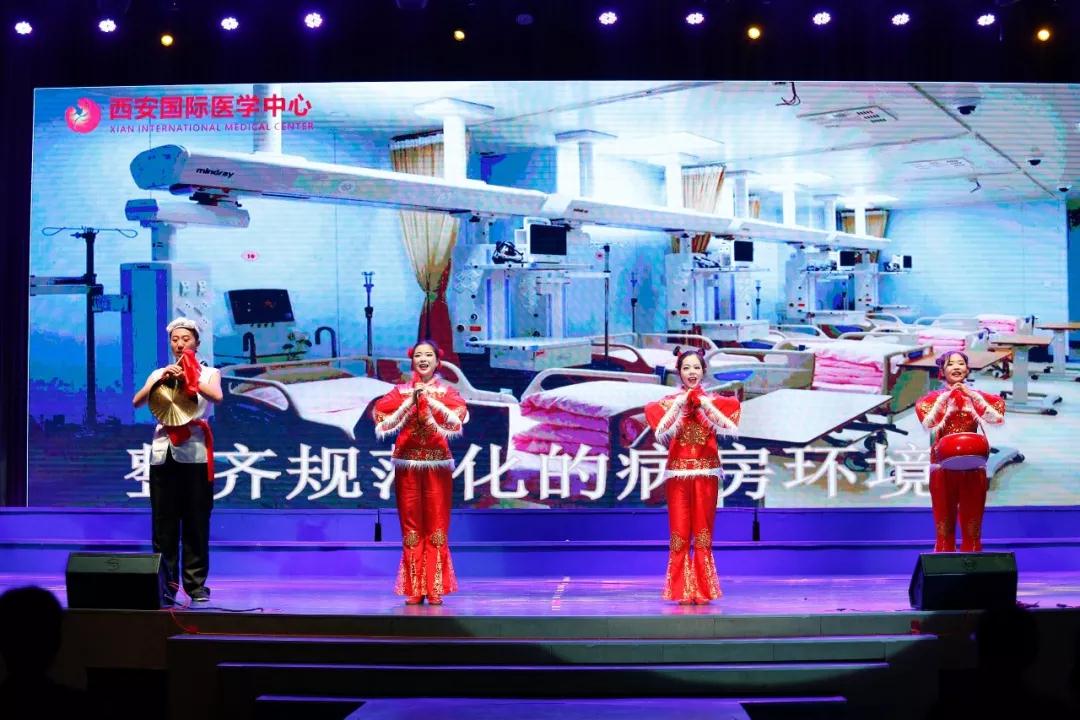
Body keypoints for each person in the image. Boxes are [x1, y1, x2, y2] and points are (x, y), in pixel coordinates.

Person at [132, 317, 222, 604]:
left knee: (196, 521)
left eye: (186, 339)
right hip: (164, 453)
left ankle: (196, 586)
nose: (180, 344)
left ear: (196, 341)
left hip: (195, 453)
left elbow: (216, 397)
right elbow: (137, 401)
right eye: (175, 339)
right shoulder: (160, 372)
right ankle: (166, 585)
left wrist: (191, 378)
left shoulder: (210, 373)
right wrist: (160, 380)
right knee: (164, 523)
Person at [373, 340, 468, 605]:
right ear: (412, 361)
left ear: (437, 362)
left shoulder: (446, 392)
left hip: (437, 465)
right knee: (411, 527)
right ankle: (415, 586)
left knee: (437, 526)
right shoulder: (401, 391)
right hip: (407, 465)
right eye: (418, 355)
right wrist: (408, 404)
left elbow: (460, 415)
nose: (423, 359)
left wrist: (432, 402)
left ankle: (434, 586)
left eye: (428, 355)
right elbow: (379, 413)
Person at [644, 349, 741, 604]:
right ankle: (682, 590)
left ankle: (702, 590)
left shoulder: (714, 401)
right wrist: (679, 404)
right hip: (678, 475)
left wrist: (705, 404)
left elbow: (731, 424)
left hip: (706, 473)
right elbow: (659, 428)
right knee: (679, 533)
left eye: (696, 367)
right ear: (679, 372)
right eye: (686, 368)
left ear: (704, 371)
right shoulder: (668, 402)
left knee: (703, 533)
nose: (692, 372)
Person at [914, 350, 1005, 552]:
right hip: (942, 467)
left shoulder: (977, 397)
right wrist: (945, 399)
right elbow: (929, 423)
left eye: (961, 363)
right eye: (950, 364)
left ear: (967, 369)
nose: (956, 367)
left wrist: (972, 396)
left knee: (973, 530)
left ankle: (972, 563)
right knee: (944, 529)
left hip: (973, 464)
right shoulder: (931, 400)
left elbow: (996, 418)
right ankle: (943, 562)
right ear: (942, 370)